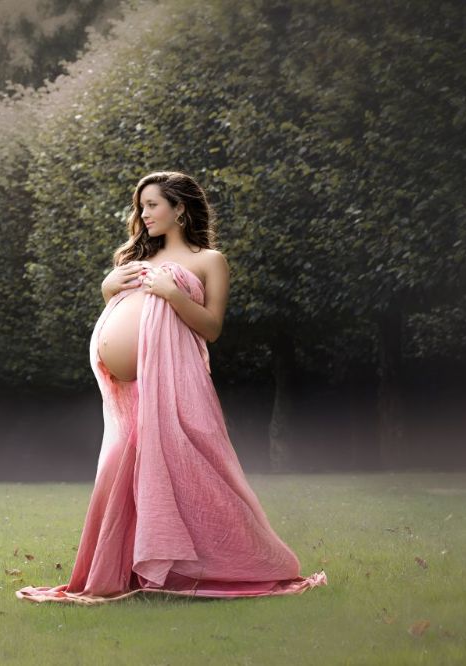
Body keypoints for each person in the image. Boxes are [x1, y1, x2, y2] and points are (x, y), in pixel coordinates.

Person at [16, 171, 327, 604]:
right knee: (120, 474)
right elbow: (127, 309)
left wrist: (174, 294)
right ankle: (124, 570)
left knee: (190, 468)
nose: (142, 215)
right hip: (128, 393)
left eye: (152, 205)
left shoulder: (209, 260)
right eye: (140, 206)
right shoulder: (136, 257)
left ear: (179, 209)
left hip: (173, 382)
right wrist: (108, 289)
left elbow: (212, 328)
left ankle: (238, 563)